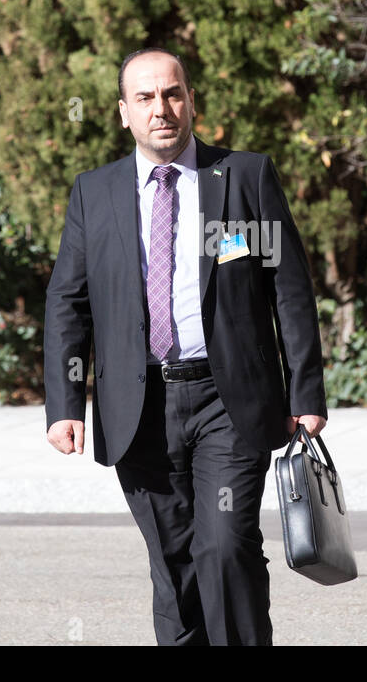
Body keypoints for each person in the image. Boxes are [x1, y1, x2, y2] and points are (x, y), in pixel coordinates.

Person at [43, 48, 328, 645]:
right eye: (145, 98)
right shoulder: (94, 194)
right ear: (124, 113)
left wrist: (305, 390)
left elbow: (289, 290)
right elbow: (68, 302)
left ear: (191, 101)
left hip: (229, 400)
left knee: (224, 546)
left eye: (172, 94)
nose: (161, 109)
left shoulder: (243, 178)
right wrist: (65, 403)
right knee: (173, 563)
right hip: (139, 404)